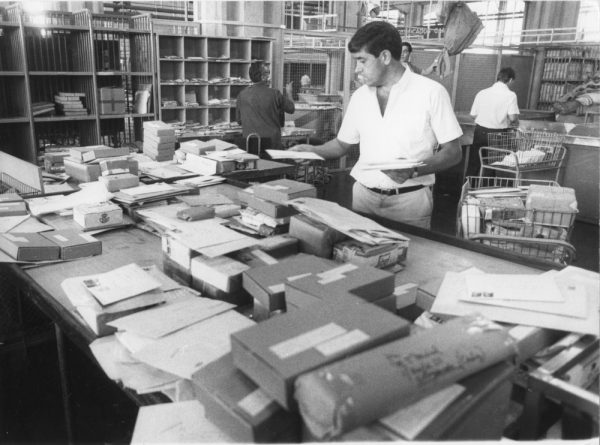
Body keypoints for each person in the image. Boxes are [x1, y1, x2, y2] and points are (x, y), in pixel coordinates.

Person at [291, 21, 462, 229]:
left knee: (412, 259)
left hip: (409, 203)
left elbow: (453, 152)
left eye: (362, 61)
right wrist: (313, 151)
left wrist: (414, 171)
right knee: (360, 256)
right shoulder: (360, 97)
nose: (356, 69)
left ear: (385, 57)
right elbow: (342, 145)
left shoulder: (431, 93)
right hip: (363, 198)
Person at [468, 67, 520, 177]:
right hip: (498, 135)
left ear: (498, 78)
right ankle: (487, 190)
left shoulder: (482, 92)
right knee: (493, 165)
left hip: (480, 132)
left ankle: (468, 189)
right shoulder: (510, 95)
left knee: (474, 163)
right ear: (510, 80)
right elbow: (512, 118)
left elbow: (473, 115)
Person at [236, 62, 295, 156]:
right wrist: (289, 92)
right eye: (268, 73)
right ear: (263, 77)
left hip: (250, 145)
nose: (269, 76)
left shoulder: (242, 95)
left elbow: (239, 121)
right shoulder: (275, 94)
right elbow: (291, 109)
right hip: (272, 145)